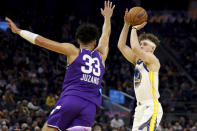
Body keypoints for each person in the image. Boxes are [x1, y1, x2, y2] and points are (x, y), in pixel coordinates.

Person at [6, 1, 115, 131]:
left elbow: (41, 41)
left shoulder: (73, 51)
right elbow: (106, 35)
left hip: (72, 98)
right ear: (95, 41)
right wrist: (107, 18)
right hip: (91, 106)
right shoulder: (101, 55)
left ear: (78, 40)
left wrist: (19, 31)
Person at [117, 9, 163, 131]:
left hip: (151, 107)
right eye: (140, 43)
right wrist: (126, 25)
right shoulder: (138, 61)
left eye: (144, 44)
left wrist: (134, 29)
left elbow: (136, 48)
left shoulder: (153, 60)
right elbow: (121, 46)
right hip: (139, 108)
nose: (141, 46)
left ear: (152, 48)